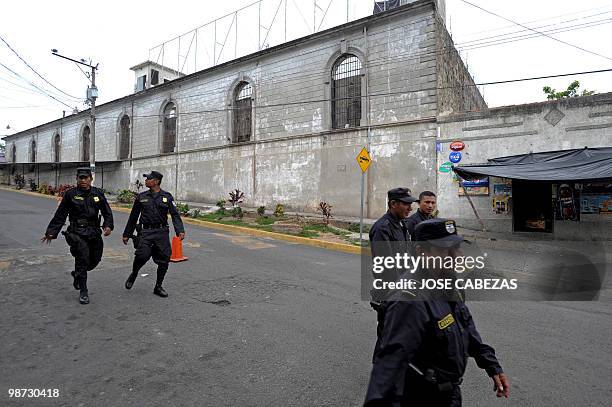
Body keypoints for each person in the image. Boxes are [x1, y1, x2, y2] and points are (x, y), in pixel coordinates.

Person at [364, 219, 510, 406]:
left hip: (449, 395)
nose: (456, 256)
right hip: (424, 397)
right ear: (421, 252)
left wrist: (491, 364)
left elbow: (465, 325)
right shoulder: (409, 300)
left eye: (457, 248)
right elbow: (389, 365)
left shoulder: (449, 282)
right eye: (444, 250)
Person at [41, 167, 114, 305]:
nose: (83, 180)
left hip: (93, 232)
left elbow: (107, 212)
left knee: (95, 260)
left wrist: (108, 225)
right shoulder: (71, 194)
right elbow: (61, 214)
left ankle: (77, 274)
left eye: (86, 178)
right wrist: (51, 231)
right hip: (77, 233)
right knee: (82, 257)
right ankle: (84, 291)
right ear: (77, 178)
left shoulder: (98, 193)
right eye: (80, 178)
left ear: (91, 179)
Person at [122, 171, 185, 297]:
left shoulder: (167, 197)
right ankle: (134, 273)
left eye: (148, 179)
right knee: (141, 256)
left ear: (156, 181)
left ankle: (158, 286)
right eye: (146, 179)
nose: (146, 181)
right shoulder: (142, 196)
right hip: (146, 232)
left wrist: (180, 230)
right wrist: (127, 233)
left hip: (161, 232)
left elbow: (174, 214)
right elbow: (133, 216)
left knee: (164, 260)